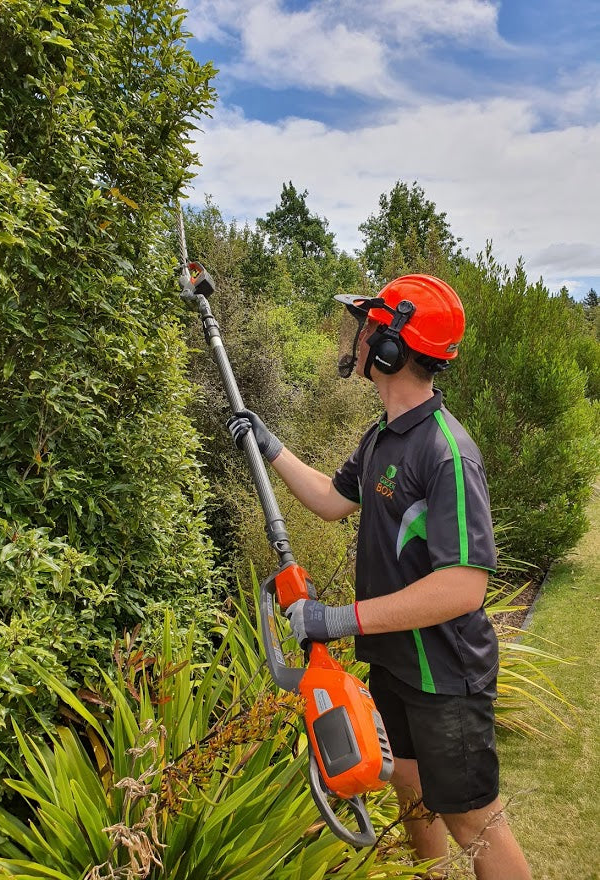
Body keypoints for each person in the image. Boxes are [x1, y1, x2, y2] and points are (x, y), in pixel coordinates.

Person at [227, 275, 531, 880]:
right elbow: (331, 501)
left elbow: (464, 586)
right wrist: (270, 444)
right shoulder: (381, 441)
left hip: (445, 674)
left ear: (392, 347)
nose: (358, 336)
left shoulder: (446, 451)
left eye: (368, 326)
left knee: (475, 821)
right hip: (395, 662)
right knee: (414, 790)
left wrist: (340, 619)